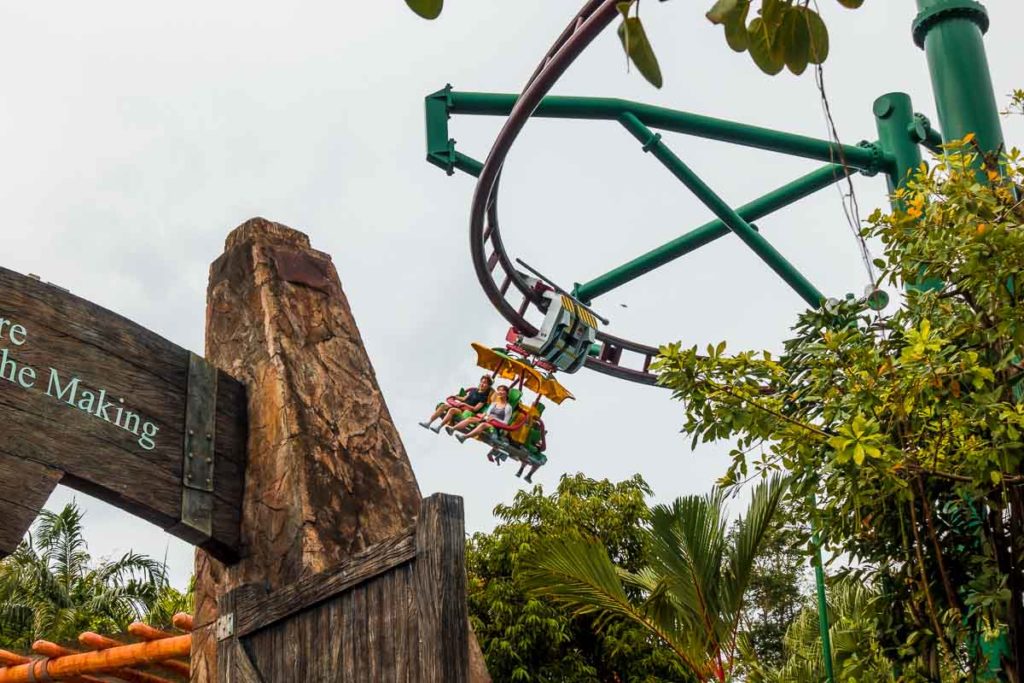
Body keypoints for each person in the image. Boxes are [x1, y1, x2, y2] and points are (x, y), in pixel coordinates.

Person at [419, 375, 493, 433]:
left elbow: (475, 409)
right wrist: (456, 397)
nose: (482, 384)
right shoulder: (473, 390)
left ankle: (439, 427)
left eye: (485, 383)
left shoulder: (484, 397)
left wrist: (465, 405)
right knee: (443, 406)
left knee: (452, 410)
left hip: (466, 412)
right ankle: (428, 423)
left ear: (488, 386)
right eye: (482, 382)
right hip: (460, 407)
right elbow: (464, 399)